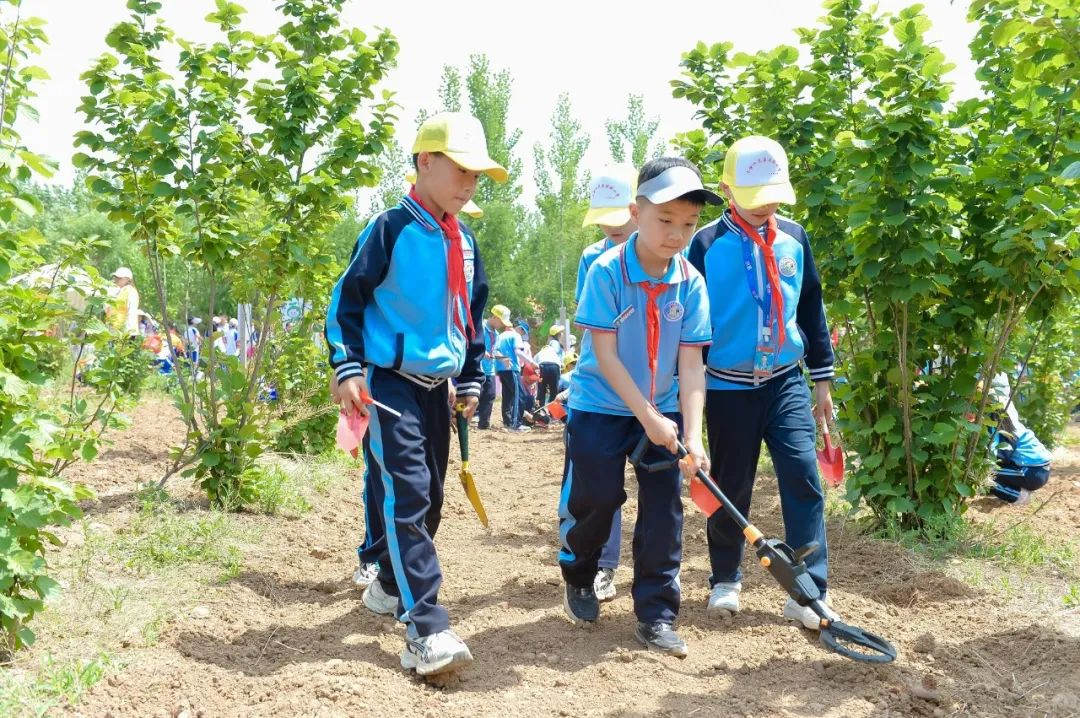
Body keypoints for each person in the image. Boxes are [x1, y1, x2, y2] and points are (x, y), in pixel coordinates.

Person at [325, 111, 504, 677]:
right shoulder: (390, 229)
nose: (471, 182)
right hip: (388, 383)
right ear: (426, 161)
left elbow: (469, 319)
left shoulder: (466, 239)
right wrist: (347, 365)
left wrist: (471, 376)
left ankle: (384, 579)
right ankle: (425, 627)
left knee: (430, 499)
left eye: (479, 173)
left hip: (437, 390)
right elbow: (346, 301)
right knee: (407, 490)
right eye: (462, 168)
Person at [558, 157, 716, 657]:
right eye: (664, 221)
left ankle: (656, 613)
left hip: (664, 411)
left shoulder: (690, 282)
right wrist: (647, 416)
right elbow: (603, 355)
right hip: (601, 406)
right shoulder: (606, 271)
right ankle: (580, 574)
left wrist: (692, 435)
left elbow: (692, 366)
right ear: (636, 211)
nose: (676, 234)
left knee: (664, 514)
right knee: (598, 500)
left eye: (688, 225)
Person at [687, 136, 838, 631]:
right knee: (732, 485)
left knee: (802, 476)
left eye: (773, 192)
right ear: (727, 188)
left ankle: (807, 590)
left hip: (786, 380)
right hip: (727, 387)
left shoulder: (794, 237)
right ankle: (725, 577)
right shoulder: (705, 245)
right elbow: (690, 322)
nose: (766, 204)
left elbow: (811, 309)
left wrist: (821, 383)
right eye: (754, 195)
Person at [575, 166, 638, 603]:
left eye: (619, 217)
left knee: (659, 492)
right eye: (603, 218)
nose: (611, 226)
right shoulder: (591, 259)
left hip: (652, 386)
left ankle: (654, 577)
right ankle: (602, 565)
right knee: (600, 488)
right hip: (599, 385)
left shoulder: (671, 254)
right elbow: (589, 324)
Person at [986, 373, 1052, 505]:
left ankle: (1019, 496)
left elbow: (1001, 455)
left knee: (982, 476)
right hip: (1037, 468)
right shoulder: (1006, 412)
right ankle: (1013, 488)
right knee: (988, 474)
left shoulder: (998, 420)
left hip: (1031, 470)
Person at [495, 317, 535, 432]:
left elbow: (495, 352)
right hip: (512, 368)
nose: (522, 335)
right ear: (521, 329)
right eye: (523, 332)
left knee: (507, 396)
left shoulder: (501, 335)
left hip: (501, 369)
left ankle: (507, 422)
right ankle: (515, 424)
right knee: (520, 395)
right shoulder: (516, 336)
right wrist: (532, 362)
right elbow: (518, 352)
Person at [477, 305, 510, 430]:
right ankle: (464, 418)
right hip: (477, 367)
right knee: (474, 393)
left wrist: (503, 358)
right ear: (495, 317)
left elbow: (495, 351)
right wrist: (481, 351)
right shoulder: (479, 326)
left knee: (490, 395)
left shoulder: (496, 334)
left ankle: (484, 424)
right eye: (501, 321)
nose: (502, 325)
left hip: (489, 369)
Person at [535, 324, 565, 406]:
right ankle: (553, 412)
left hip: (542, 365)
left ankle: (541, 410)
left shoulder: (546, 346)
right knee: (554, 391)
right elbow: (555, 354)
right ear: (557, 334)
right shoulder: (555, 343)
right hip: (554, 366)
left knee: (542, 390)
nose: (562, 334)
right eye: (561, 333)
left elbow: (535, 361)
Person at [106, 267, 140, 337]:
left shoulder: (128, 291)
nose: (116, 279)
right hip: (122, 331)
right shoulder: (121, 291)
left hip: (125, 331)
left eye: (119, 278)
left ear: (127, 279)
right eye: (116, 277)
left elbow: (121, 310)